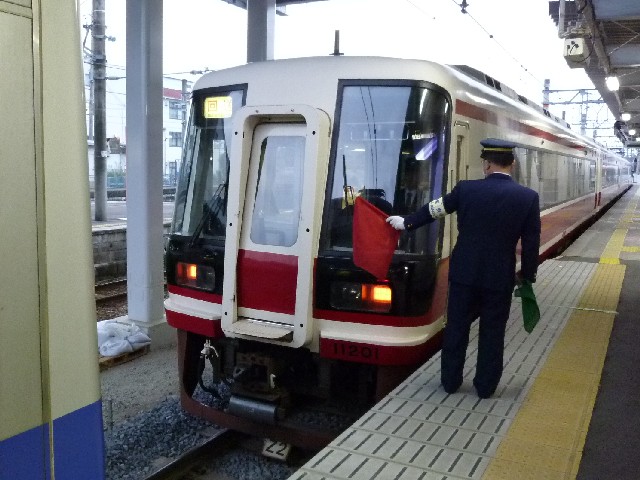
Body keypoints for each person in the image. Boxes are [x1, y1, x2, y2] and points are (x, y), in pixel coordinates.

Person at [386, 138, 541, 398]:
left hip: (463, 275)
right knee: (493, 332)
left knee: (457, 327)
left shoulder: (466, 190)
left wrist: (407, 223)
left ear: (486, 164)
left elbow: (435, 209)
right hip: (499, 277)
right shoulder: (527, 197)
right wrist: (527, 275)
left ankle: (450, 382)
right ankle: (485, 387)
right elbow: (531, 242)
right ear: (512, 165)